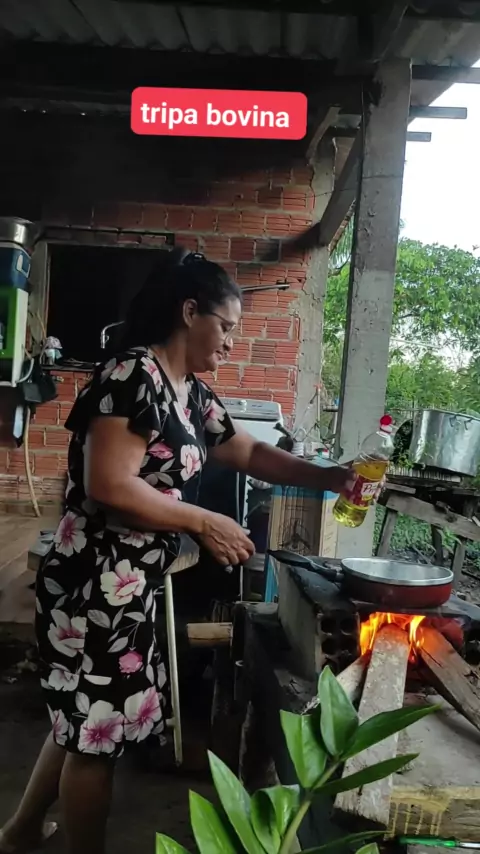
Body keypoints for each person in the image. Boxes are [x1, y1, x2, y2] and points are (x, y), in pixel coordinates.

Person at [0, 249, 355, 854]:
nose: (231, 343)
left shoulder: (188, 392)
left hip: (128, 581)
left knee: (85, 719)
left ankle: (21, 831)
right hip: (94, 581)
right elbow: (110, 485)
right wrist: (203, 520)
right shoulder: (131, 376)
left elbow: (246, 451)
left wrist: (330, 477)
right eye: (226, 327)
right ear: (190, 312)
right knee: (94, 737)